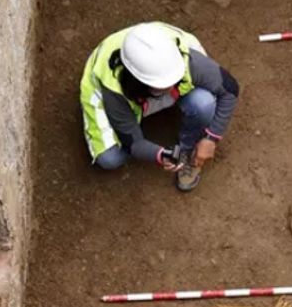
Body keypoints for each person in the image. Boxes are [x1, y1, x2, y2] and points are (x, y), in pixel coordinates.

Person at [80, 22, 239, 191]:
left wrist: (211, 138)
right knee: (110, 158)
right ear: (138, 83)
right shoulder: (113, 90)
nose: (171, 87)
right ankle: (143, 110)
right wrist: (159, 154)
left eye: (173, 80)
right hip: (114, 91)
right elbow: (134, 143)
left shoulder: (183, 60)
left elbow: (230, 89)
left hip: (157, 67)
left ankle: (188, 149)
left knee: (204, 103)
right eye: (163, 85)